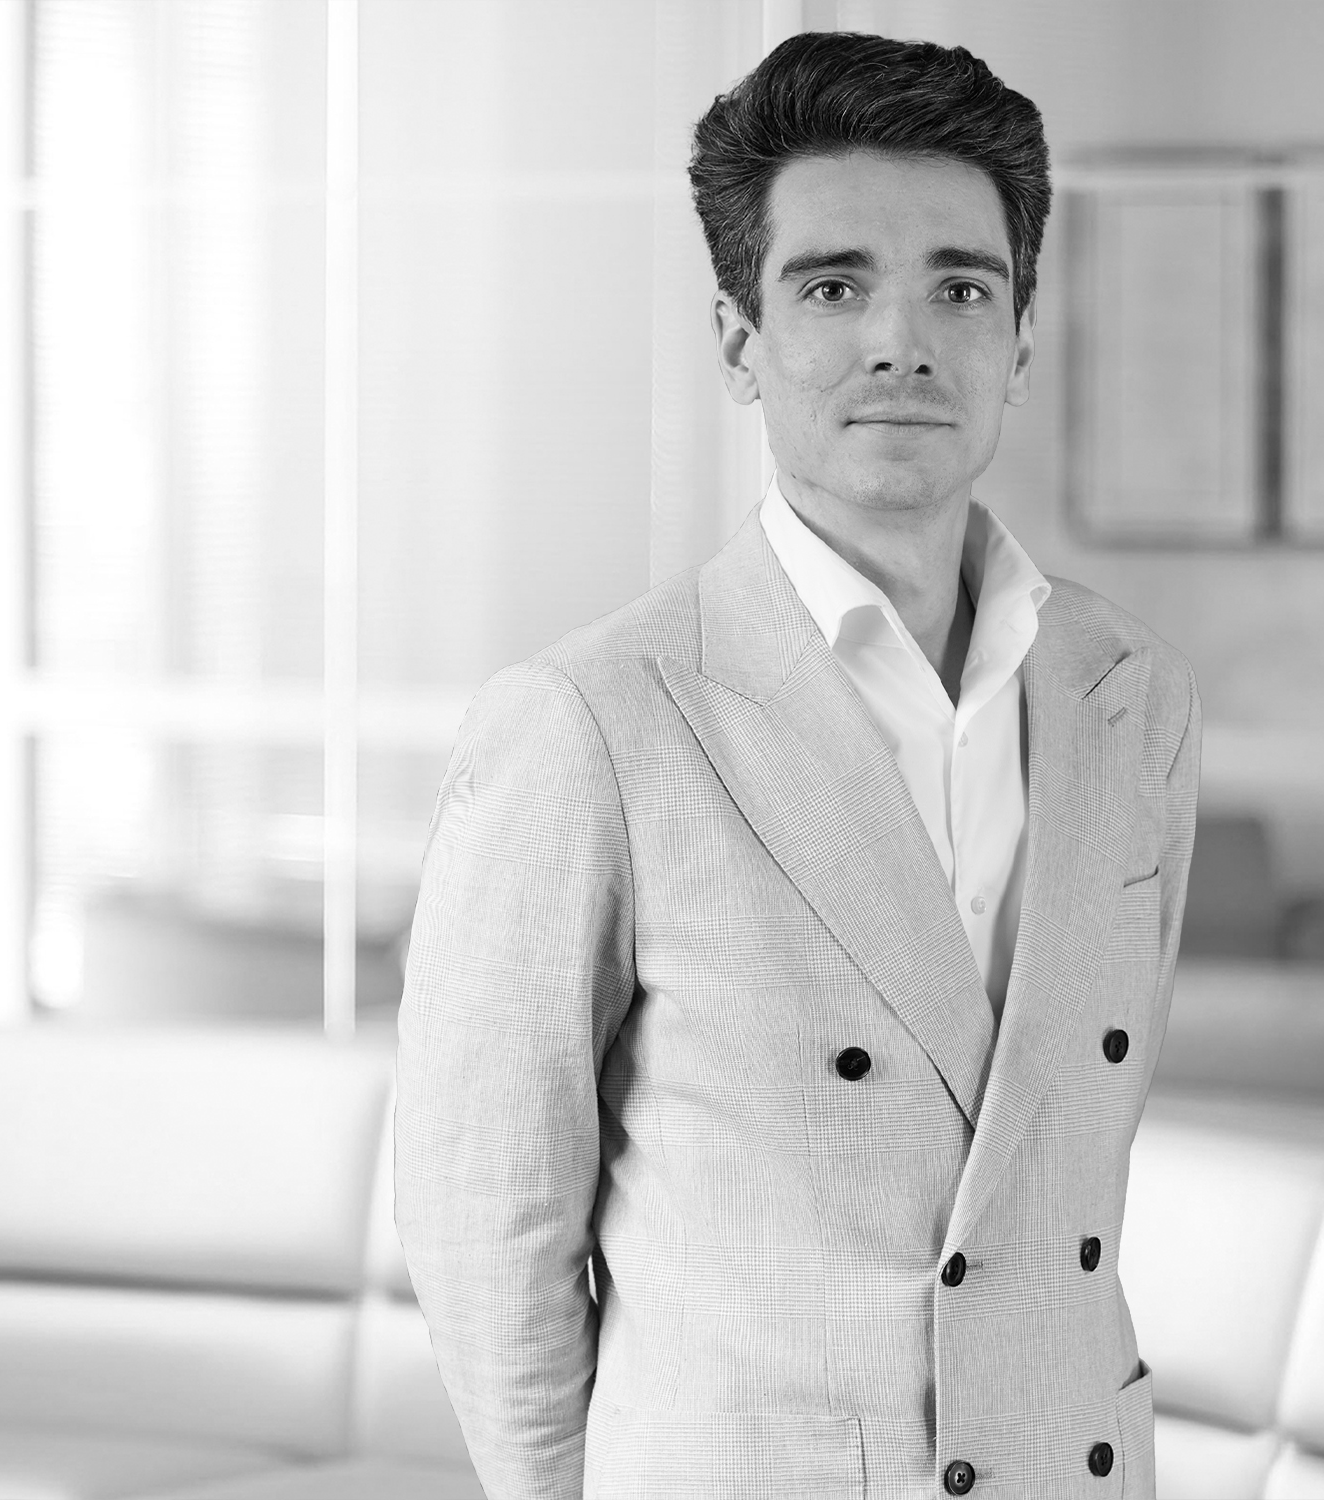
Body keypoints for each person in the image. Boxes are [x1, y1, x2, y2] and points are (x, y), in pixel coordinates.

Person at [393, 30, 1199, 1500]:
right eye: (833, 287)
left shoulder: (1127, 699)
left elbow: (1067, 1154)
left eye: (962, 288)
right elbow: (484, 1226)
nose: (903, 341)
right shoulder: (595, 721)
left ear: (1022, 338)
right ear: (737, 342)